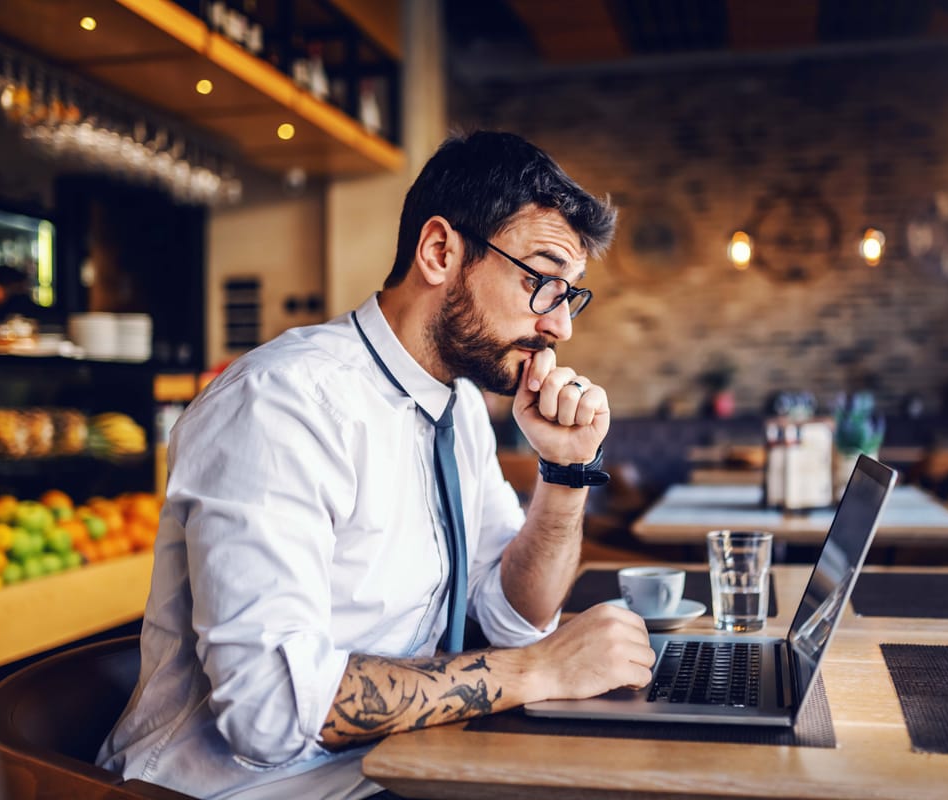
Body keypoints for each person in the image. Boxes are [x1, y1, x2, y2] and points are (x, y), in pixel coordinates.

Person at [97, 131, 655, 799]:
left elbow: (512, 618)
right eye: (541, 281)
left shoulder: (460, 407)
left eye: (570, 294)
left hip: (399, 771)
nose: (561, 326)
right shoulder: (281, 404)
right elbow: (269, 714)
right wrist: (539, 673)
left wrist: (565, 475)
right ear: (441, 251)